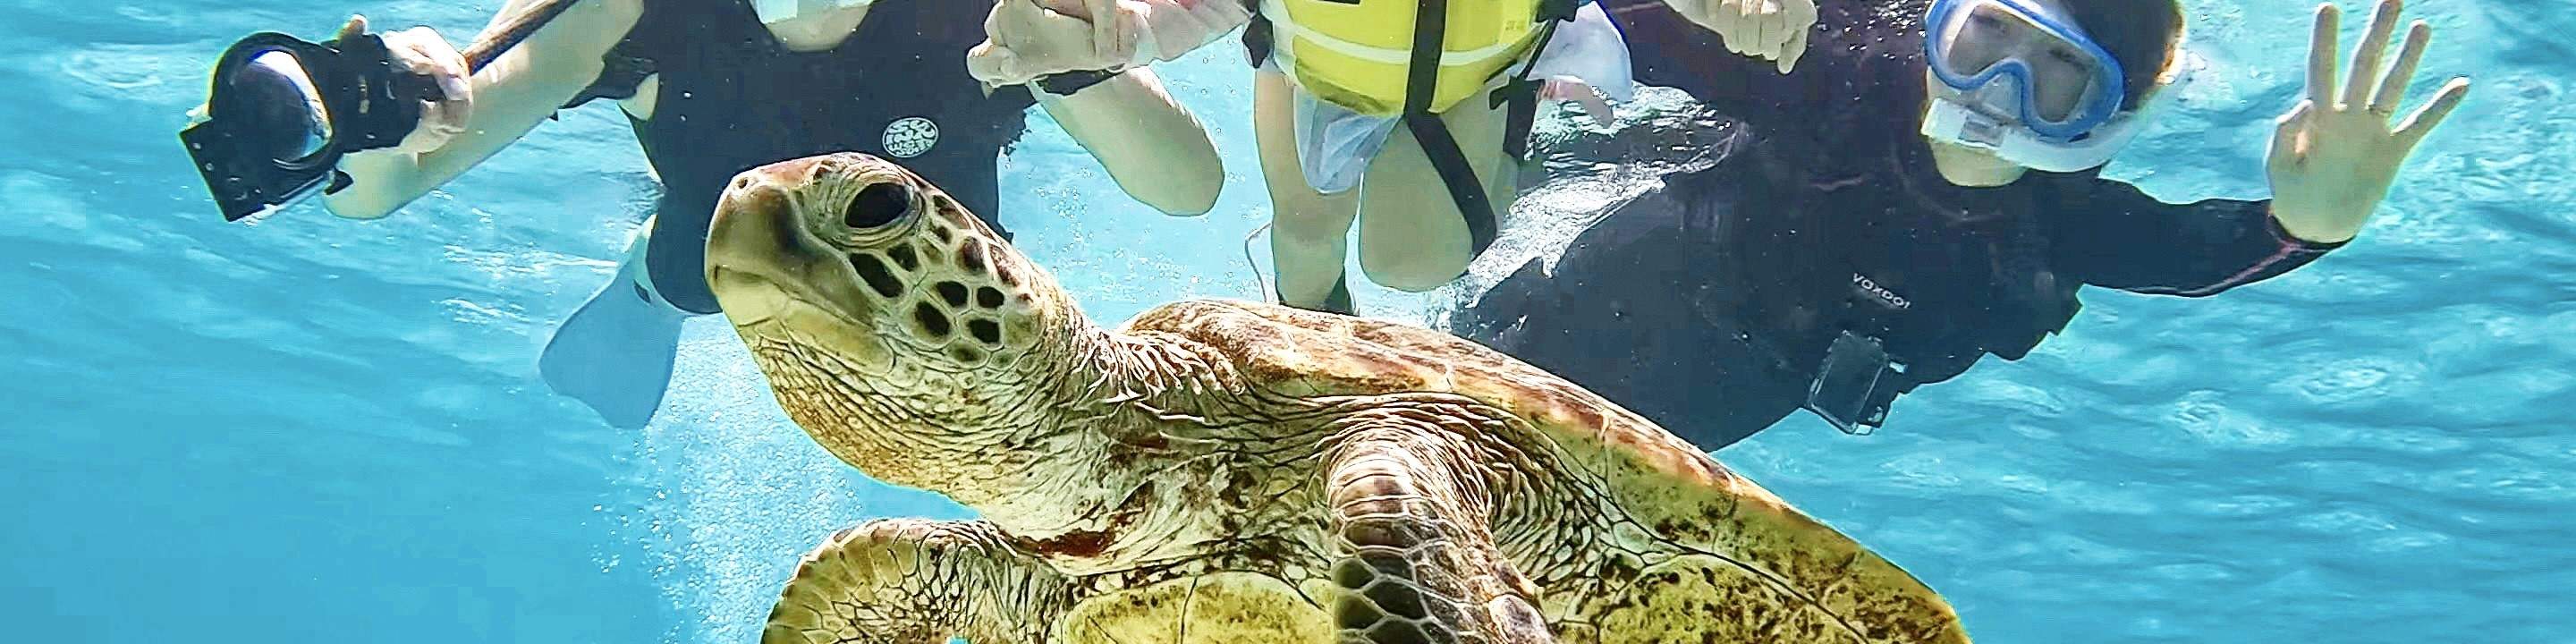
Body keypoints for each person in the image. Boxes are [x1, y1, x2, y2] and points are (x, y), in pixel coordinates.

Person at [1450, 0, 2471, 449]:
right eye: (1986, 39)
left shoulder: (2064, 229)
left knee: (1547, 509)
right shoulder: (1841, 73)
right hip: (1609, 296)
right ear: (1938, 26)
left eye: (2055, 79)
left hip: (1718, 406)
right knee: (1442, 408)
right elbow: (1584, 34)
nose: (1999, 92)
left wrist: (2316, 221)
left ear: (2104, 120)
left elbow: (2209, 253)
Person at [254, 0, 1226, 428]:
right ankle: (646, 286)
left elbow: (1189, 188)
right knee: (694, 270)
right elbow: (381, 194)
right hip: (716, 243)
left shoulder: (987, 7)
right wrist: (377, 127)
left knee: (971, 347)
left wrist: (1072, 59)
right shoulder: (624, 11)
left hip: (940, 277)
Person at [968, 0, 1820, 314]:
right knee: (1306, 246)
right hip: (1318, 75)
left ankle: (1524, 160)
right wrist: (1091, 30)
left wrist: (1740, 9)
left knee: (1412, 266)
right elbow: (1177, 13)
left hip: (1466, 84)